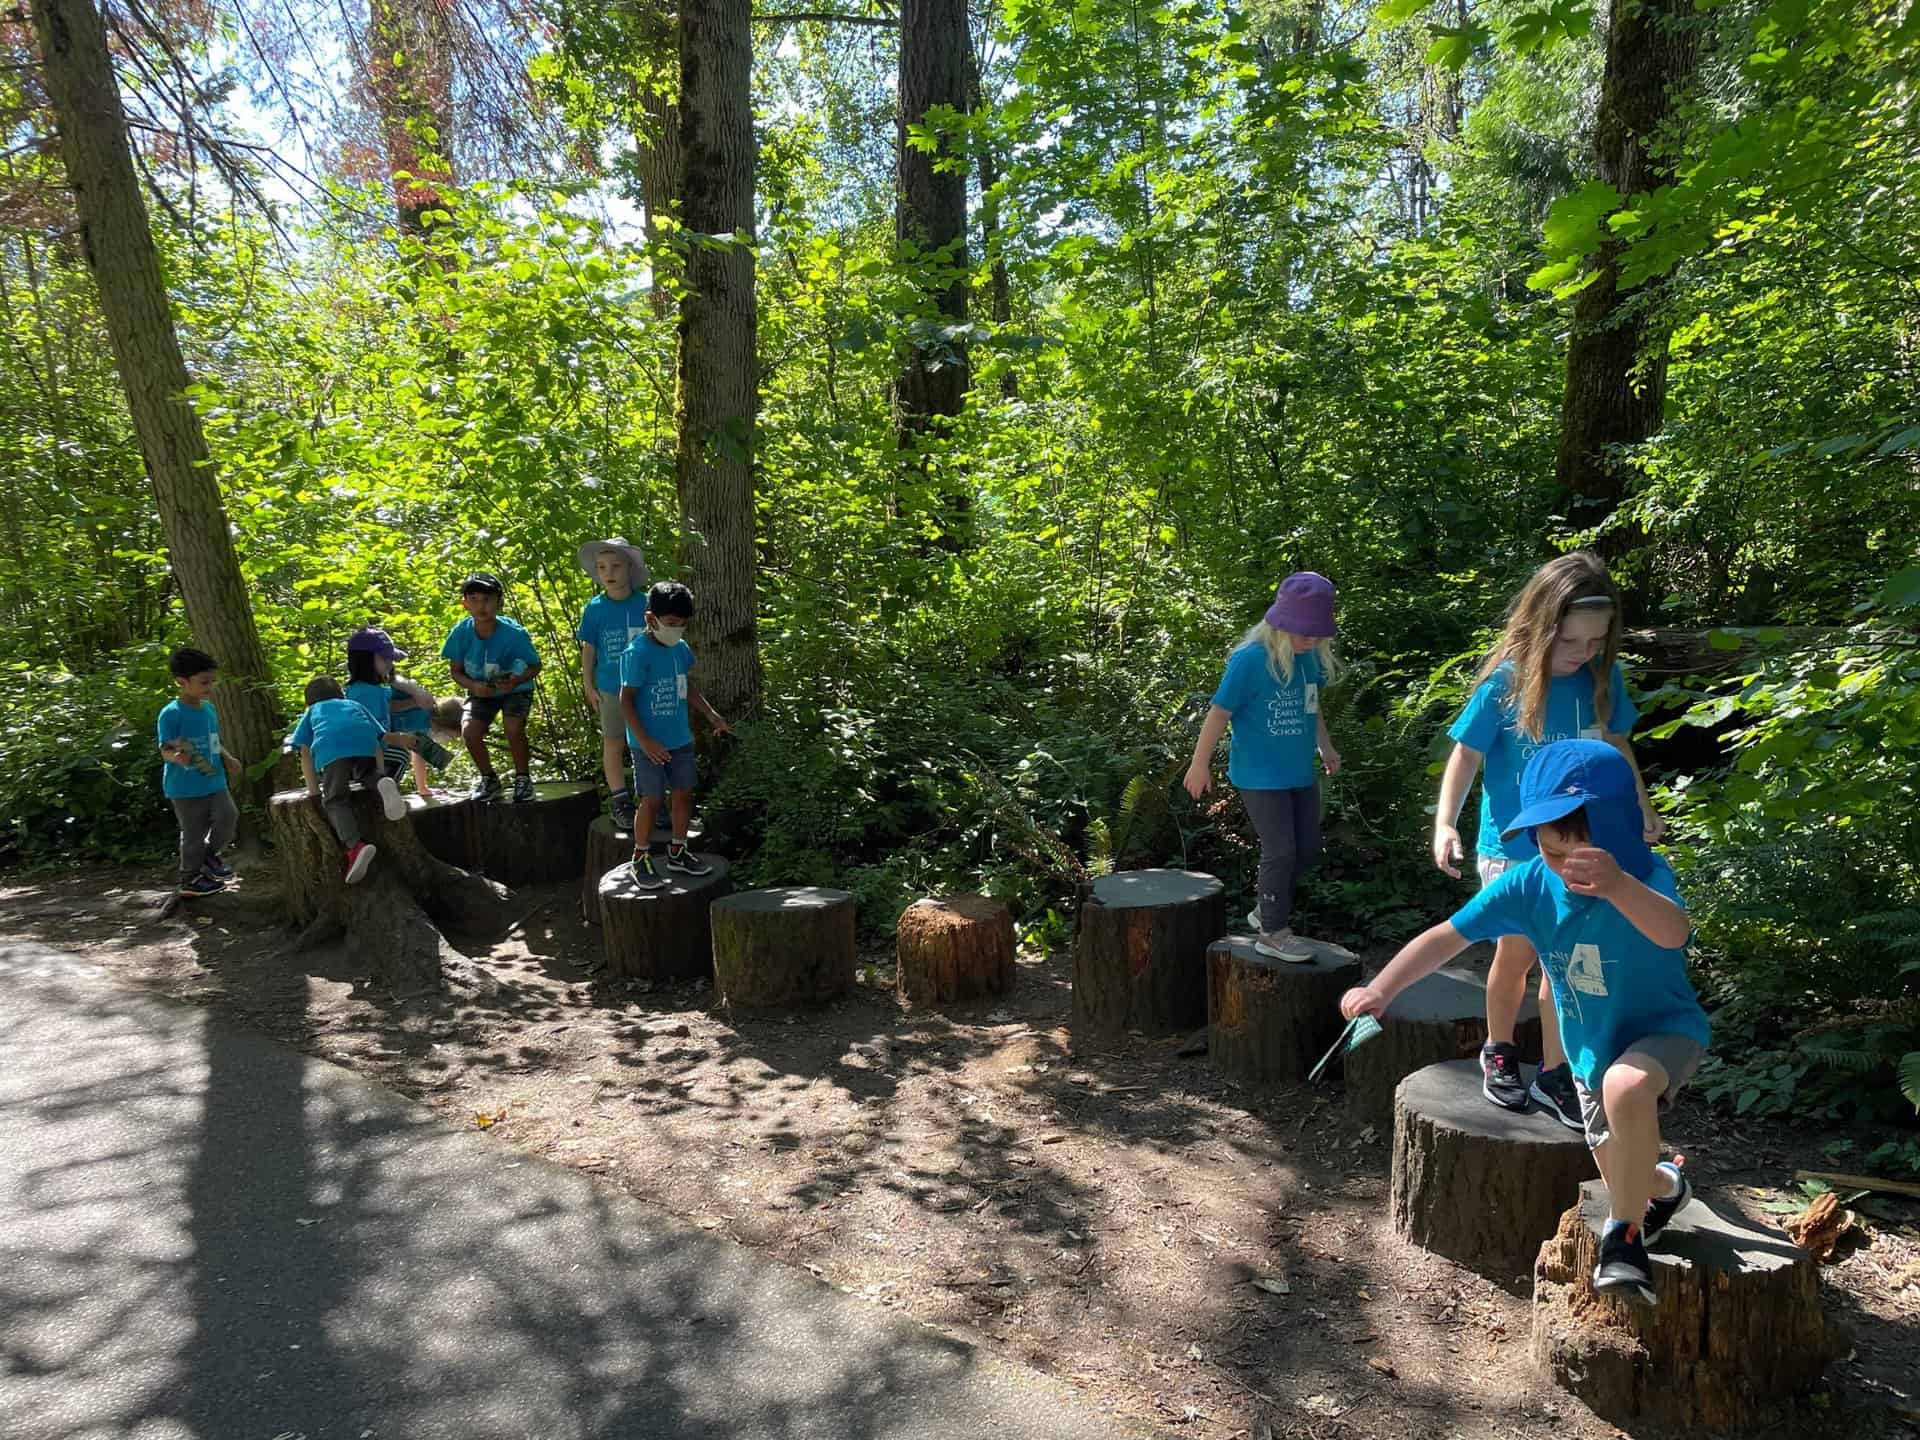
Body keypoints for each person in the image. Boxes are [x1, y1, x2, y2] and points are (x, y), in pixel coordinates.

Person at [1342, 739, 1707, 1305]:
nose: (1564, 868)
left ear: (1614, 836)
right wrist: (1380, 987)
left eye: (1578, 852)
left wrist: (1617, 886)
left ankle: (1625, 1241)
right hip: (1591, 1050)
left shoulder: (1643, 877)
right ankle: (1665, 1185)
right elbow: (1446, 937)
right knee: (1625, 1166)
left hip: (1665, 1032)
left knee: (1626, 1088)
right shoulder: (1529, 884)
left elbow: (1673, 932)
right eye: (1550, 849)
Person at [1433, 551, 1664, 1129]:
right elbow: (1466, 755)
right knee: (1516, 955)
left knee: (1566, 966)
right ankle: (1500, 1049)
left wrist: (1640, 803)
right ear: (1540, 628)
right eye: (1571, 643)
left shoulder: (1601, 680)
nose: (1583, 654)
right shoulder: (1505, 685)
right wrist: (1444, 822)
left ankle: (1558, 1072)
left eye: (1594, 643)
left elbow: (1617, 745)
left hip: (1582, 852)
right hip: (1514, 849)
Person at [1183, 571, 1343, 961]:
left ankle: (1264, 909)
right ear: (1281, 622)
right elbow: (1219, 714)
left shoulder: (1308, 661)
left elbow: (1311, 707)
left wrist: (1327, 747)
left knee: (1306, 849)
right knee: (1281, 851)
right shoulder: (1250, 661)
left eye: (1317, 633)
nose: (1311, 639)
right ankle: (1272, 931)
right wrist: (1199, 764)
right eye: (1304, 632)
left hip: (1298, 772)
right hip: (1259, 775)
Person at [618, 581, 729, 888]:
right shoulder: (636, 653)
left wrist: (710, 713)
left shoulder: (680, 649)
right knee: (652, 800)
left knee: (683, 794)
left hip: (679, 739)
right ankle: (640, 857)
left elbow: (687, 686)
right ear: (650, 619)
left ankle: (679, 850)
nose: (677, 629)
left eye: (682, 624)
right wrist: (645, 741)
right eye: (670, 623)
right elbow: (625, 700)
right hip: (648, 744)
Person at [286, 676, 411, 884]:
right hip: (364, 744)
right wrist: (380, 773)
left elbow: (305, 754)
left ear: (309, 700)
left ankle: (354, 846)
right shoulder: (354, 705)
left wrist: (314, 792)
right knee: (366, 774)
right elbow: (379, 740)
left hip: (333, 749)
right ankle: (380, 783)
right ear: (340, 693)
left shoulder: (312, 713)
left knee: (334, 800)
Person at [441, 572, 542, 802]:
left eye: (487, 599)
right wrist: (474, 686)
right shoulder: (461, 633)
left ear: (499, 601)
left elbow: (535, 666)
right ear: (465, 603)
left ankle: (523, 779)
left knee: (513, 728)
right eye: (474, 599)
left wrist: (515, 681)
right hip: (482, 690)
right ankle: (489, 779)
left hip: (516, 689)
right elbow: (455, 670)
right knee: (470, 731)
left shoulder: (514, 634)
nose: (481, 606)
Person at [575, 537, 651, 831]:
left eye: (616, 565)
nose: (609, 572)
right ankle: (620, 800)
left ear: (630, 568)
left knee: (645, 742)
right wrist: (587, 683)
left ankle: (651, 799)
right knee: (613, 741)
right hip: (609, 686)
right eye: (602, 566)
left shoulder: (644, 603)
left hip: (643, 686)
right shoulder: (594, 608)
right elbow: (590, 648)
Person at [158, 646, 244, 897]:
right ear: (182, 682)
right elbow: (165, 748)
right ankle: (189, 880)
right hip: (184, 787)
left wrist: (227, 758)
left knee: (228, 817)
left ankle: (209, 857)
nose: (210, 687)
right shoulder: (171, 713)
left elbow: (214, 740)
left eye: (212, 681)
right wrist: (176, 756)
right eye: (204, 682)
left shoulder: (208, 709)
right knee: (193, 834)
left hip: (215, 780)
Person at [346, 625, 454, 793]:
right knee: (401, 754)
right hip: (363, 750)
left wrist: (415, 697)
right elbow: (372, 720)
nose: (390, 664)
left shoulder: (371, 689)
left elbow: (390, 700)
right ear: (365, 659)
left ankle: (379, 788)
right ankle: (379, 790)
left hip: (369, 748)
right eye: (385, 659)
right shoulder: (369, 692)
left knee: (401, 751)